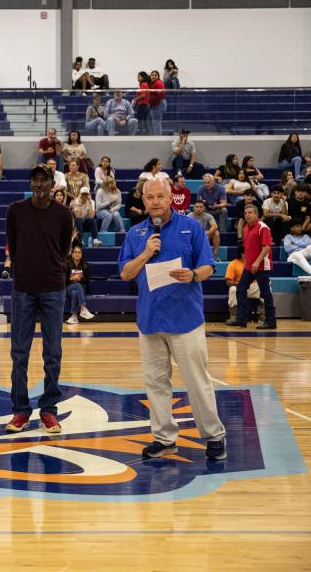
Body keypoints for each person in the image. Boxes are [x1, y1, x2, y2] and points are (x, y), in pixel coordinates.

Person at [118, 178, 227, 460]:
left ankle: (214, 436)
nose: (155, 201)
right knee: (155, 382)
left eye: (160, 196)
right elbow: (126, 273)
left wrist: (192, 275)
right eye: (149, 197)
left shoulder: (191, 227)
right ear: (143, 202)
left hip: (185, 318)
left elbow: (208, 266)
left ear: (170, 198)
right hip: (150, 319)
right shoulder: (136, 234)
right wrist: (145, 254)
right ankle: (164, 438)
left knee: (197, 380)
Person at [4, 165, 74, 433]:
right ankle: (20, 411)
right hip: (22, 289)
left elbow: (64, 248)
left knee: (52, 354)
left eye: (45, 180)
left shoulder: (63, 214)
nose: (40, 184)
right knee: (19, 354)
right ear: (31, 183)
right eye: (35, 180)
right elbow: (13, 243)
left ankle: (49, 410)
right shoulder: (16, 211)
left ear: (52, 184)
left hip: (54, 289)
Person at [226, 204, 277, 329]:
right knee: (240, 289)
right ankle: (241, 319)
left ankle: (271, 321)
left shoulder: (262, 227)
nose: (247, 215)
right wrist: (249, 263)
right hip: (249, 266)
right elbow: (249, 249)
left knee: (265, 293)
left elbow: (267, 247)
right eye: (245, 213)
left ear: (256, 214)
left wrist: (256, 262)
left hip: (261, 266)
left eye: (250, 212)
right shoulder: (245, 228)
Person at [225, 244, 262, 323]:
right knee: (233, 289)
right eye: (246, 252)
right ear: (241, 253)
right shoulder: (233, 264)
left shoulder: (254, 263)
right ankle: (234, 316)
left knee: (265, 288)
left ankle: (263, 316)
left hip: (253, 287)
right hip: (239, 286)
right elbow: (228, 282)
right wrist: (240, 284)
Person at [65, 244, 95, 325]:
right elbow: (62, 280)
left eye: (79, 252)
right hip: (68, 288)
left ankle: (74, 317)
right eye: (75, 252)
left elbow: (87, 280)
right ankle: (83, 308)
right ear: (72, 254)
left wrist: (80, 279)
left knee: (75, 292)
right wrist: (71, 279)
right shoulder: (67, 265)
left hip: (81, 289)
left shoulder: (85, 265)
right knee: (77, 286)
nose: (77, 254)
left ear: (81, 255)